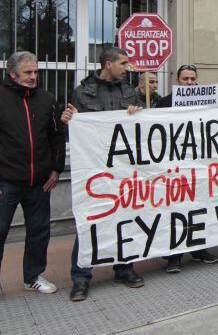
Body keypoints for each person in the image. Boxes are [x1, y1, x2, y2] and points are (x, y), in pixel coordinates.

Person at [0, 52, 65, 311]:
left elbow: (57, 137)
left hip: (40, 182)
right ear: (12, 74)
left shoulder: (48, 100)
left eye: (35, 72)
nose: (33, 77)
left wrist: (55, 169)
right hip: (4, 182)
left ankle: (33, 277)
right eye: (27, 73)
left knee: (39, 232)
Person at [62, 47, 146, 301]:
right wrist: (70, 120)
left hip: (123, 168)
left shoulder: (128, 90)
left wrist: (138, 111)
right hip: (95, 169)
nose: (127, 67)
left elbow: (145, 123)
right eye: (123, 63)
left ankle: (124, 269)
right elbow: (76, 130)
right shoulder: (83, 92)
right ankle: (80, 277)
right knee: (90, 221)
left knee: (124, 218)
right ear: (108, 64)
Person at [154, 64, 218, 271]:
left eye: (193, 79)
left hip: (200, 165)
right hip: (174, 168)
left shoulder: (208, 103)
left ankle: (199, 249)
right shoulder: (164, 103)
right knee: (175, 211)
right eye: (186, 79)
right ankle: (174, 256)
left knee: (200, 208)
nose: (190, 83)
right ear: (177, 81)